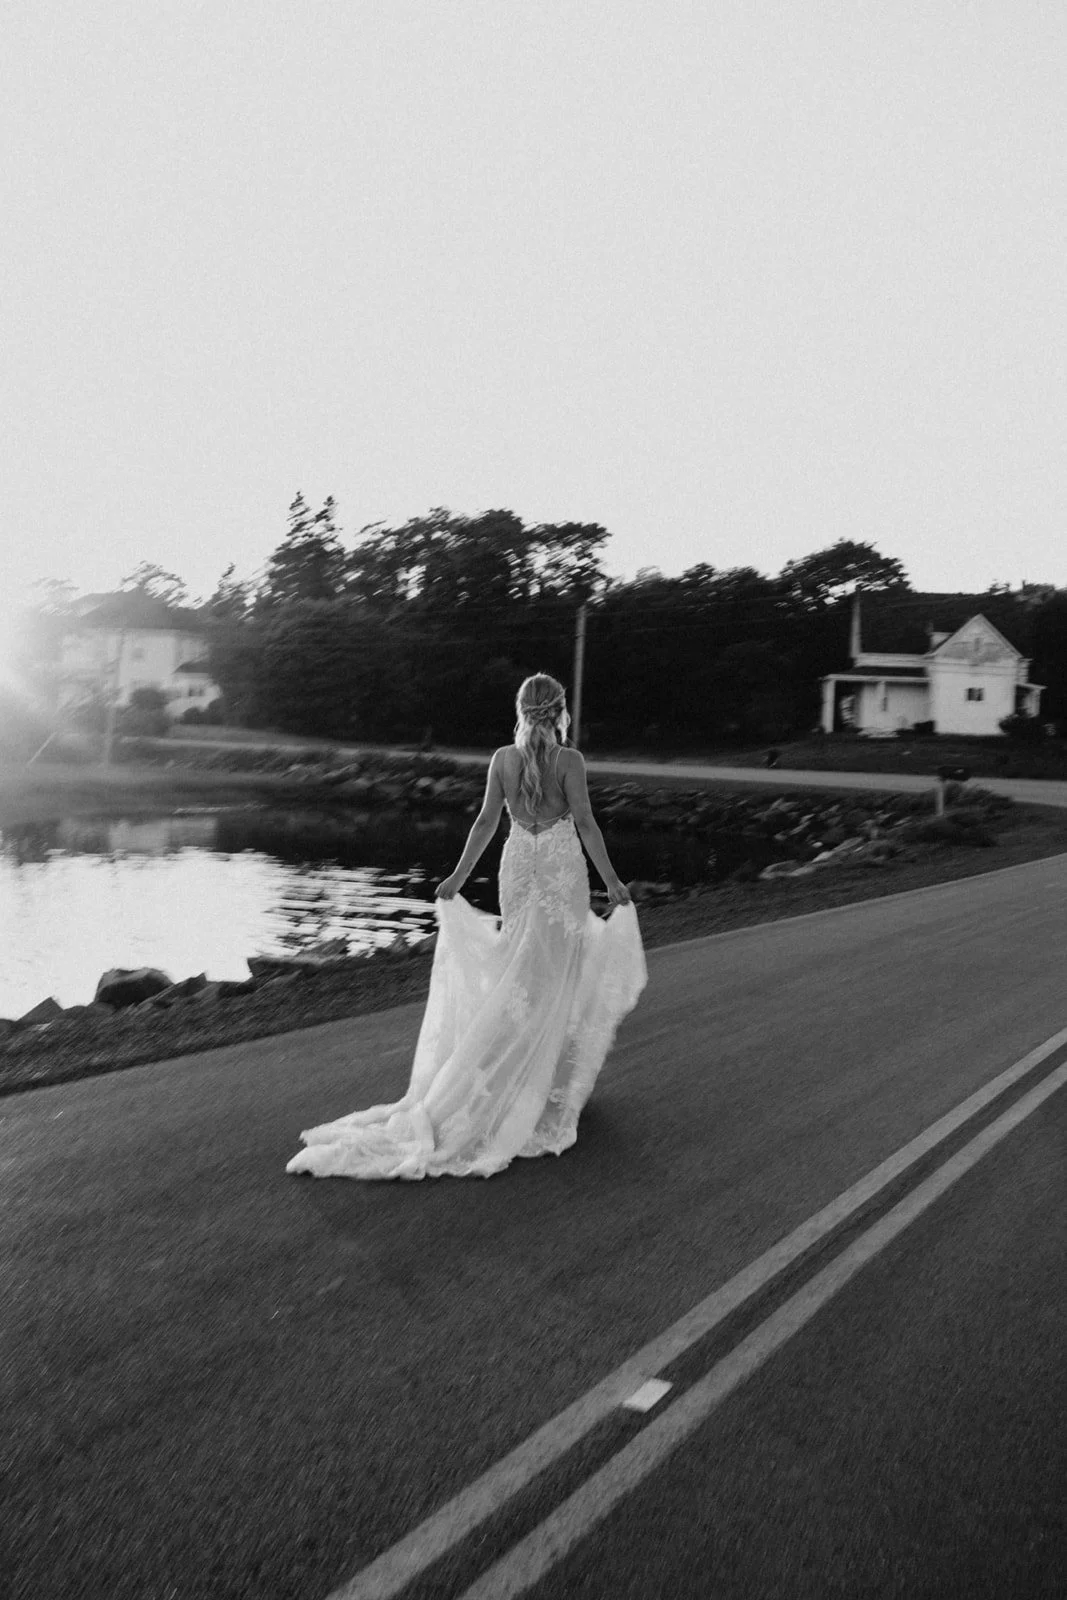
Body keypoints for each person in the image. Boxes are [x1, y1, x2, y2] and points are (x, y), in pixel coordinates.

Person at [285, 673, 647, 1180]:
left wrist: (456, 879)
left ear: (520, 710)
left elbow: (485, 823)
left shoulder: (503, 760)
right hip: (562, 871)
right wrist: (611, 883)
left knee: (515, 973)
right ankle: (533, 1087)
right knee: (552, 976)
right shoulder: (571, 762)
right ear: (561, 712)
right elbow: (585, 823)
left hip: (519, 869)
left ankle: (515, 1078)